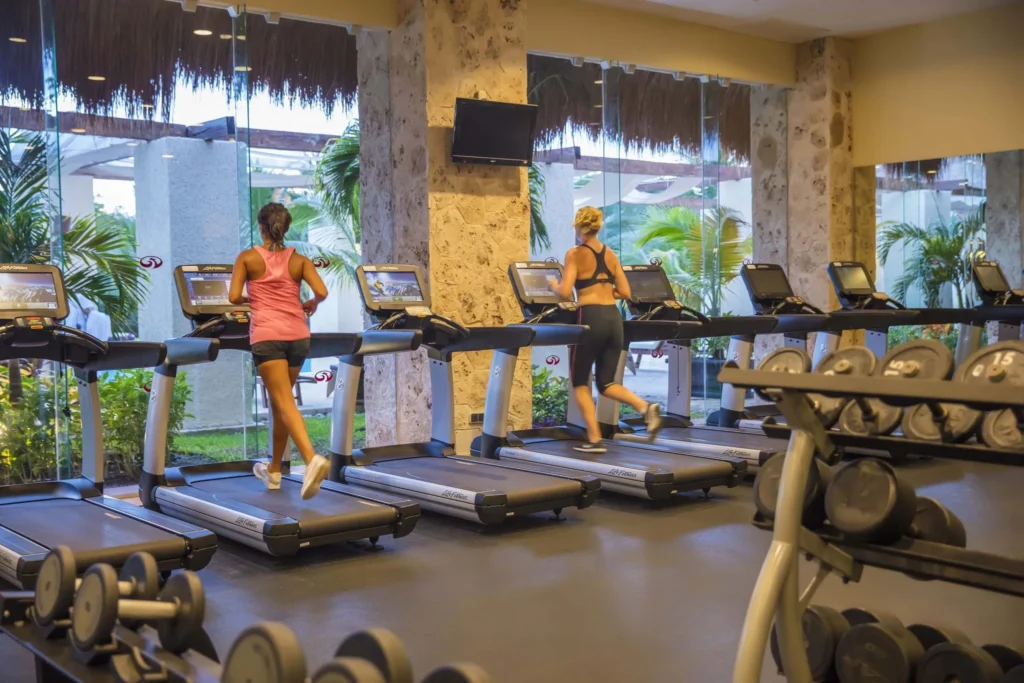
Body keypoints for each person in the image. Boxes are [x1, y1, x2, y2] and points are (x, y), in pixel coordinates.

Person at [229, 202, 329, 498]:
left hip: (268, 335)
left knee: (284, 403)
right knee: (279, 404)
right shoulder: (299, 260)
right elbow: (321, 291)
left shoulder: (247, 258)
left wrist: (255, 300)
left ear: (261, 227)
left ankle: (312, 460)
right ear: (285, 228)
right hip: (298, 335)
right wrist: (311, 304)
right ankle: (274, 470)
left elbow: (234, 296)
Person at [549, 206, 662, 453]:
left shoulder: (575, 253)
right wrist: (601, 291)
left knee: (580, 381)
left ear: (579, 227)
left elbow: (566, 292)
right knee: (606, 382)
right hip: (613, 318)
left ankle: (594, 439)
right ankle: (645, 407)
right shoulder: (610, 254)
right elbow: (625, 293)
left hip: (590, 318)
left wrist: (553, 286)